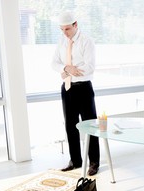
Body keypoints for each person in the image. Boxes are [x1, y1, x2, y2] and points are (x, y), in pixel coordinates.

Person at [51, 11, 100, 176]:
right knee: (70, 126)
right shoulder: (61, 41)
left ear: (75, 25)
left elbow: (90, 67)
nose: (65, 33)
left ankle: (94, 162)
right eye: (62, 29)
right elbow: (54, 63)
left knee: (90, 126)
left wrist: (70, 70)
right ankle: (75, 161)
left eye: (67, 29)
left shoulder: (87, 42)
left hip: (84, 88)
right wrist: (66, 68)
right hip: (67, 87)